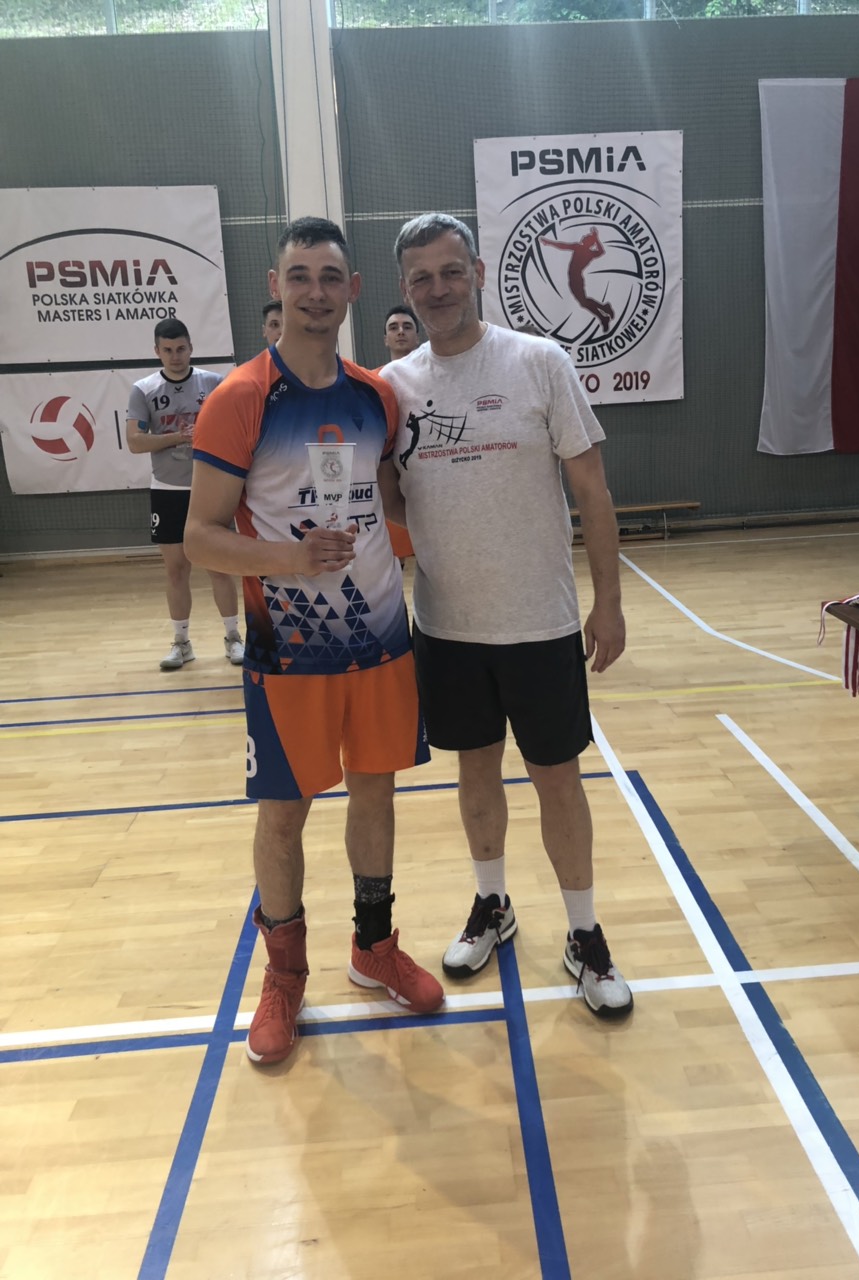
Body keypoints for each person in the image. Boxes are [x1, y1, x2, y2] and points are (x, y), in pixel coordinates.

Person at [184, 216, 443, 1066]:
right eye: (300, 276)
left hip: (381, 638)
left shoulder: (377, 397)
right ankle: (285, 975)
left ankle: (374, 947)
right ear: (276, 286)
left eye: (331, 277)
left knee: (375, 795)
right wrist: (290, 559)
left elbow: (391, 502)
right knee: (284, 815)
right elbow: (200, 537)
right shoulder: (241, 399)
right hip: (288, 652)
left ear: (353, 290)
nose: (316, 292)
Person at [379, 213, 632, 1020]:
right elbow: (390, 499)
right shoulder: (393, 386)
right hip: (447, 629)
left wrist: (608, 602)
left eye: (451, 271)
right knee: (475, 772)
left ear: (479, 273)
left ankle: (584, 934)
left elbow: (592, 490)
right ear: (405, 289)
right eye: (422, 277)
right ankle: (493, 904)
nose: (438, 289)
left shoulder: (538, 362)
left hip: (541, 624)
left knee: (558, 779)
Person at [126, 318, 244, 670]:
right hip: (167, 490)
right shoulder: (143, 389)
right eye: (167, 350)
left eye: (181, 349)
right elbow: (135, 442)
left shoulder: (214, 383)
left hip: (210, 488)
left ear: (191, 348)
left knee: (219, 566)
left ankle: (234, 637)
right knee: (176, 569)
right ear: (157, 351)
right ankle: (181, 643)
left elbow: (235, 430)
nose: (175, 356)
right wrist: (178, 437)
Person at [379, 306, 420, 562]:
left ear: (418, 337)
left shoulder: (434, 381)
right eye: (393, 328)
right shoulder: (372, 382)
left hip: (424, 476)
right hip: (388, 476)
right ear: (386, 339)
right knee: (395, 558)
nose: (400, 332)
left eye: (407, 327)